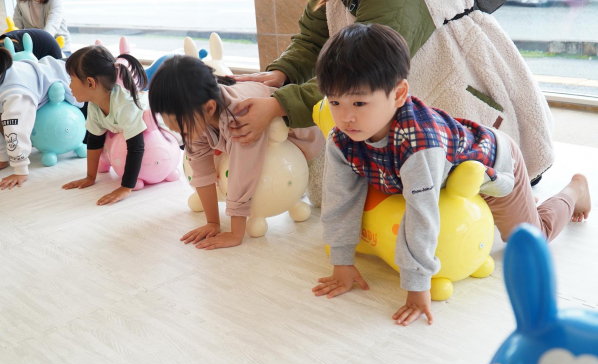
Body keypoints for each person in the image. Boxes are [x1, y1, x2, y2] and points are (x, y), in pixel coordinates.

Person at [311, 24, 591, 327]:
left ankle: (574, 190)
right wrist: (341, 262)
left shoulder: (418, 144)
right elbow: (340, 199)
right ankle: (525, 202)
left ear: (399, 93)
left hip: (491, 163)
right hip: (446, 171)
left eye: (359, 103)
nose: (346, 117)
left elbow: (421, 215)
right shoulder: (342, 139)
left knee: (528, 239)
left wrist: (418, 286)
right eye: (335, 102)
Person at [230, 0, 554, 193]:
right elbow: (314, 39)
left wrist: (280, 104)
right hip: (400, 105)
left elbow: (361, 69)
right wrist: (283, 72)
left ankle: (571, 194)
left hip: (457, 93)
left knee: (476, 186)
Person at [148, 55, 323, 250]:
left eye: (179, 124)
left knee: (320, 198)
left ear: (210, 108)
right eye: (167, 120)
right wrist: (212, 222)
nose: (176, 130)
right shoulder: (195, 114)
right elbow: (201, 168)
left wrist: (235, 234)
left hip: (307, 137)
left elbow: (242, 174)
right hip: (266, 142)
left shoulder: (241, 119)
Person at [62, 45, 147, 206]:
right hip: (123, 133)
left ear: (90, 83)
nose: (70, 85)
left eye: (72, 79)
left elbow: (136, 147)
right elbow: (95, 139)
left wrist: (125, 187)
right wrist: (90, 177)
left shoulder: (125, 105)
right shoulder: (94, 104)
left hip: (155, 131)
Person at [0, 49, 81, 189]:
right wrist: (3, 156)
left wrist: (20, 170)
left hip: (73, 79)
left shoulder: (15, 94)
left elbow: (16, 130)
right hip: (51, 69)